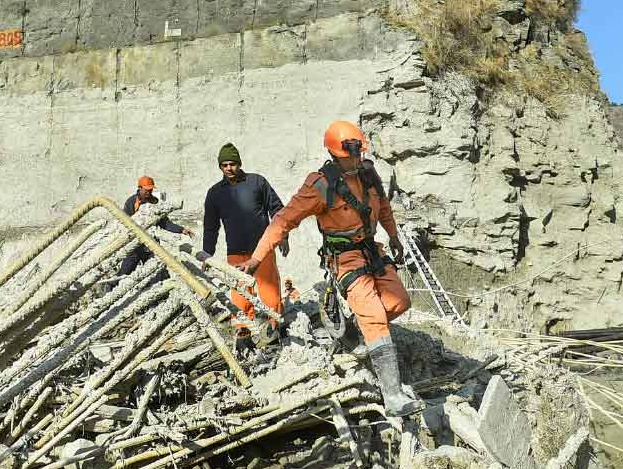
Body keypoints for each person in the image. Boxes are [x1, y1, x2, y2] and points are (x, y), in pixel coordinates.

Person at [235, 121, 421, 417]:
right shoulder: (319, 186)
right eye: (353, 154)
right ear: (337, 154)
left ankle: (357, 333)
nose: (359, 158)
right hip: (345, 259)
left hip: (372, 251)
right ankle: (394, 396)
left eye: (360, 152)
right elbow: (283, 221)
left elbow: (383, 207)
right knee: (374, 316)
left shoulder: (369, 175)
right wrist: (257, 258)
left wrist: (394, 236)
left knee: (399, 302)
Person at [202, 143, 288, 354]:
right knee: (240, 297)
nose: (229, 168)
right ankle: (243, 336)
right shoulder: (215, 193)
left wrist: (282, 236)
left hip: (263, 250)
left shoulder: (257, 182)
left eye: (232, 164)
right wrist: (207, 254)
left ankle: (275, 330)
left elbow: (277, 209)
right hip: (236, 253)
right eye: (224, 165)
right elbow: (211, 226)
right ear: (220, 167)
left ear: (239, 164)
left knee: (270, 293)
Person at [119, 176, 194, 277]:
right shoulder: (131, 202)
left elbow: (164, 222)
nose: (149, 192)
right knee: (125, 271)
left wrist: (181, 230)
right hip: (134, 245)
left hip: (151, 244)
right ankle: (110, 287)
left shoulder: (155, 202)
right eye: (147, 190)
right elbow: (125, 222)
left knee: (157, 273)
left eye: (150, 190)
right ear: (140, 188)